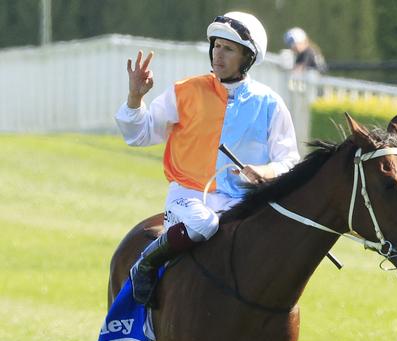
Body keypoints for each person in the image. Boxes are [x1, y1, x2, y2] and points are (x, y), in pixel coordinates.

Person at [115, 11, 300, 305]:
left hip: (242, 203)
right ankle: (147, 262)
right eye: (216, 46)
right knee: (205, 224)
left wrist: (266, 171)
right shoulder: (185, 91)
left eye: (228, 49)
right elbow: (139, 135)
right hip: (188, 200)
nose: (218, 55)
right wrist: (135, 98)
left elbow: (289, 161)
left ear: (247, 58)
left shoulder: (271, 104)